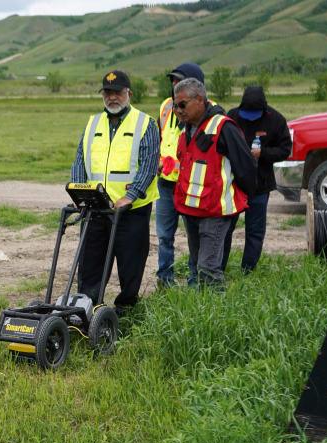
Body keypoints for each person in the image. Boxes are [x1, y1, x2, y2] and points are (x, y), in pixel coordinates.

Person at [70, 70, 160, 316]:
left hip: (131, 209)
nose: (112, 98)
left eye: (117, 93)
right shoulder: (92, 123)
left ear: (129, 94)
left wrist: (131, 196)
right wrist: (79, 191)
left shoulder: (145, 123)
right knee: (90, 262)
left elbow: (150, 164)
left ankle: (125, 309)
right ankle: (87, 308)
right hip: (96, 206)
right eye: (107, 93)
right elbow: (80, 158)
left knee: (130, 263)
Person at [172, 78, 257, 289]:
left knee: (208, 267)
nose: (178, 110)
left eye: (182, 104)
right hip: (191, 210)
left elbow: (246, 168)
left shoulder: (223, 127)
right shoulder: (186, 130)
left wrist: (242, 199)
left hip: (215, 212)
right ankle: (203, 310)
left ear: (200, 100)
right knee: (196, 264)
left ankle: (219, 315)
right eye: (175, 105)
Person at [221, 86, 292, 273]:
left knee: (255, 231)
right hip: (233, 186)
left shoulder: (275, 120)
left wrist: (264, 153)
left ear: (263, 109)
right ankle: (218, 267)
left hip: (260, 186)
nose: (249, 117)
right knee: (225, 229)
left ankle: (248, 269)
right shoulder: (233, 116)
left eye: (254, 114)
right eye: (247, 113)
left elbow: (285, 149)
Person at [156, 63, 206, 288]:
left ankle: (195, 280)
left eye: (179, 81)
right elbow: (160, 136)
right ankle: (165, 279)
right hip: (166, 183)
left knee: (195, 237)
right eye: (173, 82)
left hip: (191, 185)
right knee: (164, 235)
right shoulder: (166, 106)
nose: (174, 86)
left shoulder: (205, 110)